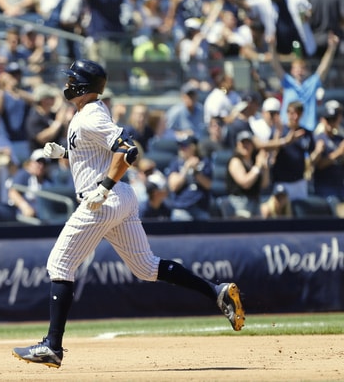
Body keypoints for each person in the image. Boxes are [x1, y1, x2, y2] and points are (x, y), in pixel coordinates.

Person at [12, 59, 245, 369]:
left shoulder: (91, 115)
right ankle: (216, 292)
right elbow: (100, 148)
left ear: (83, 85)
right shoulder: (89, 113)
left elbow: (128, 150)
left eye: (71, 79)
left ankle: (52, 346)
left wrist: (105, 186)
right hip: (119, 199)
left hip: (102, 200)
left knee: (59, 263)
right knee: (147, 267)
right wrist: (67, 153)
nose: (67, 84)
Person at [268, 32, 340, 132]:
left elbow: (323, 68)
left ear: (307, 71)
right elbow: (276, 66)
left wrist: (332, 48)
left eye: (302, 68)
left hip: (307, 129)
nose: (300, 71)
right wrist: (272, 46)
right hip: (288, 128)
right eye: (297, 68)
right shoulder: (287, 82)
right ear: (292, 71)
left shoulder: (311, 84)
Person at [166, 134, 213, 221]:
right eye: (180, 146)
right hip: (181, 207)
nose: (181, 149)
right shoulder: (176, 163)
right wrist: (186, 168)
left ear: (193, 147)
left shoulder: (204, 162)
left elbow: (208, 185)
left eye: (184, 146)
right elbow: (174, 186)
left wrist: (196, 172)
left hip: (200, 207)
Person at [225, 131, 270, 218]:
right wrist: (257, 167)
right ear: (238, 145)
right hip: (239, 203)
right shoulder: (235, 161)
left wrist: (265, 167)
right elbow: (245, 183)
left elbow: (265, 184)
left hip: (255, 201)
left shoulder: (254, 161)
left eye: (248, 143)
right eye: (243, 143)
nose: (245, 146)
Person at [312, 102, 344, 200]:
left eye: (333, 119)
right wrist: (339, 153)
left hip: (339, 185)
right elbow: (319, 165)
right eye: (328, 120)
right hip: (324, 187)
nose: (330, 123)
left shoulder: (339, 139)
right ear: (323, 120)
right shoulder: (318, 139)